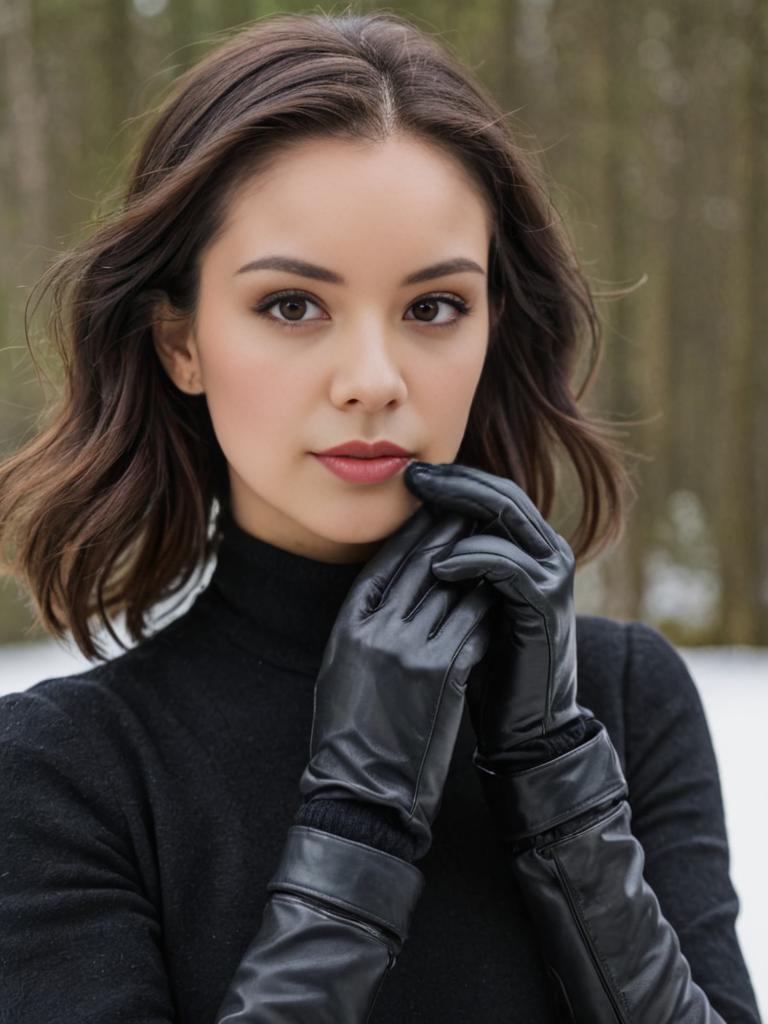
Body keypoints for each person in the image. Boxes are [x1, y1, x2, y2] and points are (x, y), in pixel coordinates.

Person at [0, 10, 761, 1024]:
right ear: (180, 341)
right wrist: (356, 825)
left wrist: (554, 783)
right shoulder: (65, 772)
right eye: (292, 306)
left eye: (434, 306)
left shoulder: (619, 703)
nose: (373, 380)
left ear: (495, 324)